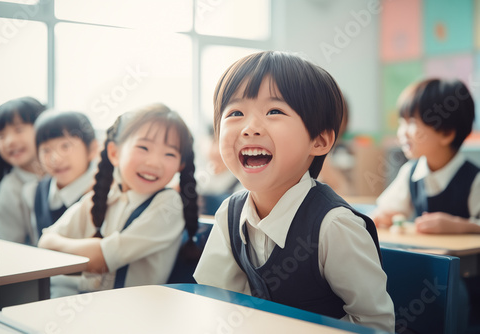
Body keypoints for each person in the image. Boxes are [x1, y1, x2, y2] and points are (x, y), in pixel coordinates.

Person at [193, 51, 394, 332]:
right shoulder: (230, 213)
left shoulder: (333, 226)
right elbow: (216, 301)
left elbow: (376, 325)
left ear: (320, 140)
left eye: (274, 111)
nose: (250, 128)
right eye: (236, 113)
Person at [38, 104, 199, 294]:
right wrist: (88, 249)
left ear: (181, 164)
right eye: (144, 147)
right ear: (114, 153)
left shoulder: (168, 205)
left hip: (131, 314)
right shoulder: (101, 197)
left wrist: (89, 250)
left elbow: (100, 260)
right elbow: (44, 243)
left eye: (169, 154)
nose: (154, 162)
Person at [372, 79, 480, 234]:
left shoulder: (474, 180)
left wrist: (459, 226)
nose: (402, 133)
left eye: (412, 122)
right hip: (426, 257)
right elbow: (386, 210)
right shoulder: (410, 172)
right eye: (401, 123)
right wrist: (385, 217)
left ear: (446, 133)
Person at [23, 110, 98, 245]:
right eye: (46, 150)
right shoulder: (34, 192)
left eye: (65, 146)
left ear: (92, 149)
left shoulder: (103, 192)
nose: (55, 158)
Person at [0, 97, 46, 244]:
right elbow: (13, 250)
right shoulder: (10, 190)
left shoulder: (63, 172)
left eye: (19, 130)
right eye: (1, 136)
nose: (9, 141)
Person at [197, 126, 243, 215]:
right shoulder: (199, 176)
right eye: (213, 141)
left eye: (222, 143)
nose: (216, 150)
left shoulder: (240, 182)